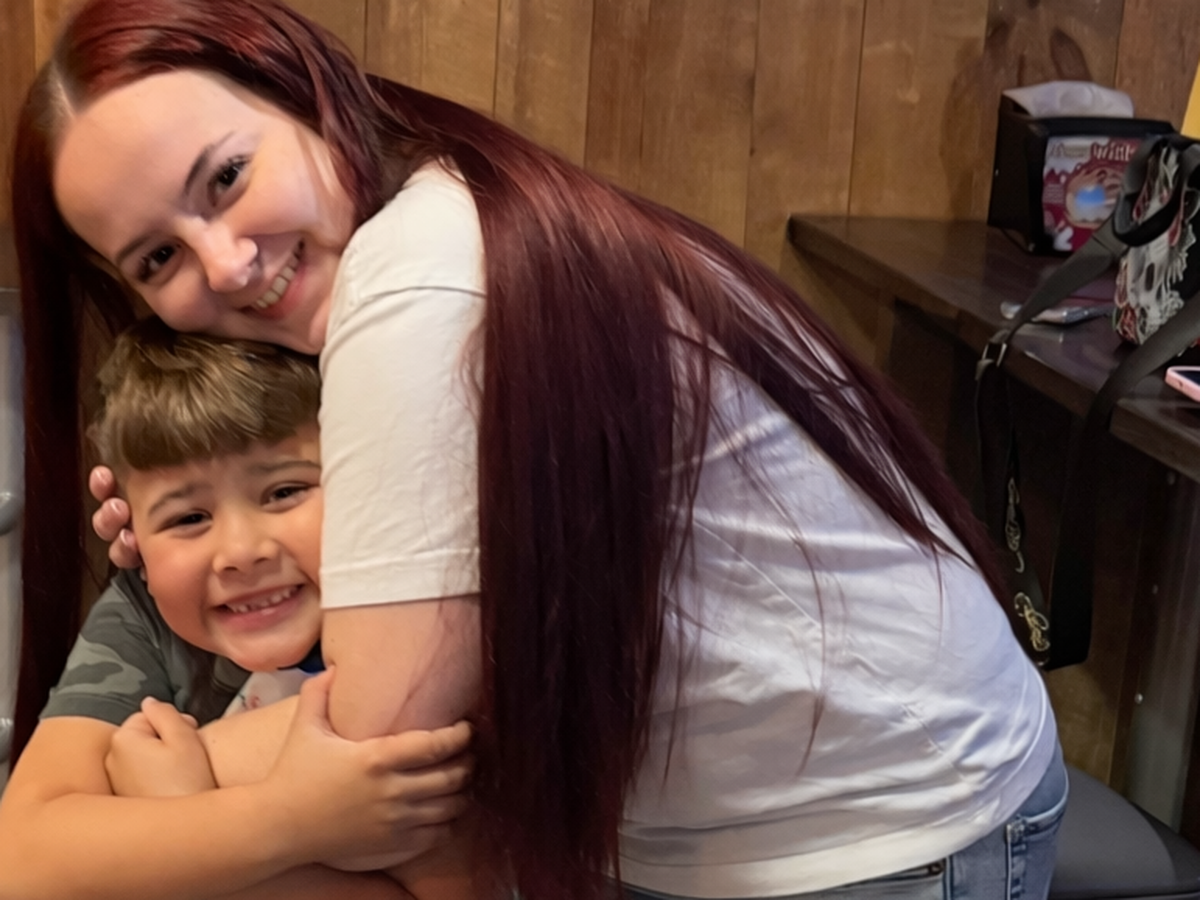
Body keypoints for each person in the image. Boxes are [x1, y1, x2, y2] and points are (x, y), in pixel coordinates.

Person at [15, 0, 1064, 898]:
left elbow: (391, 767)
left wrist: (181, 791)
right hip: (767, 810)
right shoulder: (394, 256)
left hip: (876, 829)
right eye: (158, 257)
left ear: (303, 92)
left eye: (228, 177)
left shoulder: (414, 280)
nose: (227, 264)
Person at [0, 317, 474, 900]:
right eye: (188, 518)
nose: (242, 553)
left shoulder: (418, 612)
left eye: (284, 492)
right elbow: (20, 864)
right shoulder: (144, 615)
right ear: (133, 536)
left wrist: (178, 813)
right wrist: (290, 818)